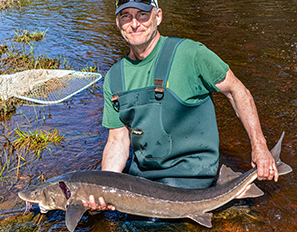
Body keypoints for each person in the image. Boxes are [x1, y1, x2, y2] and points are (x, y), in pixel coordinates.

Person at [83, 0, 279, 211]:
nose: (134, 24)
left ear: (158, 16)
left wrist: (259, 147)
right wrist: (102, 188)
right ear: (118, 22)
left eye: (142, 14)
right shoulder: (114, 77)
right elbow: (117, 140)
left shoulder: (191, 54)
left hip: (193, 177)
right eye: (126, 16)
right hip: (143, 180)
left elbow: (237, 91)